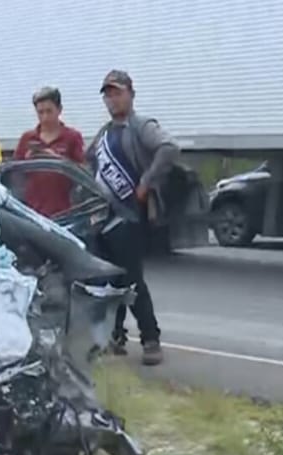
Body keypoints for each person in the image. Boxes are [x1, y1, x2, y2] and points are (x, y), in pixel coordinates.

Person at [89, 69, 178, 365]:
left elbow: (168, 148)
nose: (113, 99)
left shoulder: (141, 126)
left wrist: (146, 183)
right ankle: (115, 337)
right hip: (105, 216)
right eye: (108, 94)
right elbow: (89, 163)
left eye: (117, 92)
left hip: (131, 216)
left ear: (130, 93)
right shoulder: (104, 133)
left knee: (132, 280)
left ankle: (151, 339)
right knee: (109, 279)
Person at [13, 86, 86, 217]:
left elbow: (84, 174)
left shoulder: (72, 137)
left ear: (59, 110)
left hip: (65, 211)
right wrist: (26, 161)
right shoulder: (27, 138)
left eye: (49, 111)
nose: (45, 117)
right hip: (32, 211)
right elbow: (14, 176)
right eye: (40, 112)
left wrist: (57, 160)